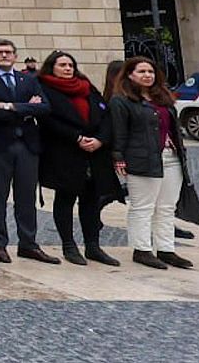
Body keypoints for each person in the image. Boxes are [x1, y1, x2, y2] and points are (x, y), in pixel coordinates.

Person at [0, 38, 57, 265]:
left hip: (27, 145)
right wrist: (27, 108)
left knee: (26, 197)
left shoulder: (27, 79)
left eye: (8, 52)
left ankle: (28, 243)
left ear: (15, 56)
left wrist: (10, 106)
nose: (4, 55)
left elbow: (45, 107)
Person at [36, 50, 121, 267]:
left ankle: (93, 246)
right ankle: (69, 245)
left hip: (94, 153)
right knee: (66, 199)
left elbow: (105, 116)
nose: (67, 69)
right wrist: (77, 137)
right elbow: (47, 119)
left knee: (91, 201)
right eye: (62, 65)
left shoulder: (86, 87)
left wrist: (101, 140)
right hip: (65, 152)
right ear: (52, 67)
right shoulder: (43, 88)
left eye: (70, 65)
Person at [110, 57, 194, 269]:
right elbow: (119, 131)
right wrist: (118, 157)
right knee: (142, 207)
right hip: (142, 158)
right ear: (130, 74)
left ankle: (166, 249)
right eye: (141, 71)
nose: (147, 75)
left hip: (171, 157)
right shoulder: (122, 100)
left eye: (150, 71)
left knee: (166, 207)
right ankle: (142, 249)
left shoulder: (162, 97)